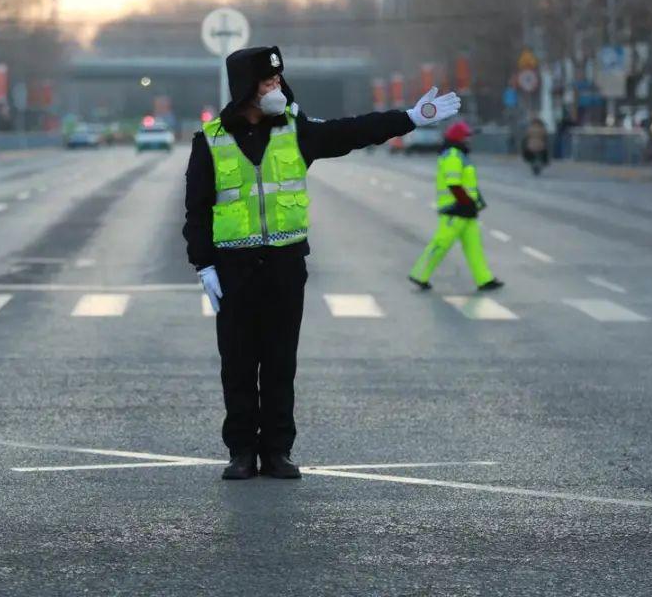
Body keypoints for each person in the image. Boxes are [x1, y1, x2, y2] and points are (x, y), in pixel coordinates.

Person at [184, 46, 460, 480]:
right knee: (237, 364)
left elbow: (353, 131)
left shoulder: (297, 131)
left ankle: (277, 451)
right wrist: (204, 265)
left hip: (285, 266)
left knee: (280, 364)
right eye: (266, 81)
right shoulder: (211, 139)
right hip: (234, 270)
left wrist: (411, 116)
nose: (276, 86)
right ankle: (241, 452)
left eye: (278, 79)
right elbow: (196, 210)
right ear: (244, 89)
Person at [408, 120, 503, 292]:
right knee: (441, 243)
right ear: (459, 138)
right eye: (466, 136)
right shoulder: (453, 155)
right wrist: (466, 203)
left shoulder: (458, 154)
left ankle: (484, 279)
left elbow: (467, 184)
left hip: (466, 209)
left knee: (474, 247)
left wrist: (475, 203)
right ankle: (419, 274)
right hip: (455, 209)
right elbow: (454, 184)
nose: (469, 140)